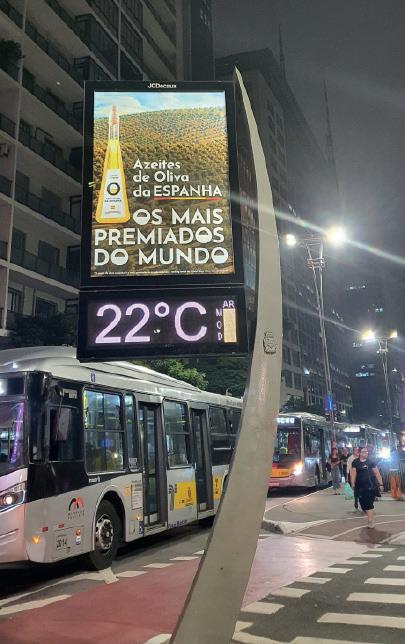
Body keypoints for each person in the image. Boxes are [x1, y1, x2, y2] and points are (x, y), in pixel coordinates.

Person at [351, 446, 384, 528]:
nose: (366, 453)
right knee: (363, 505)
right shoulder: (355, 462)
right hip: (359, 487)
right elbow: (353, 473)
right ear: (359, 453)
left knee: (369, 503)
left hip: (370, 486)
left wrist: (381, 484)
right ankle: (370, 515)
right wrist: (352, 483)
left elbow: (377, 473)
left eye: (366, 452)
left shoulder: (371, 462)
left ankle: (370, 521)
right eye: (364, 452)